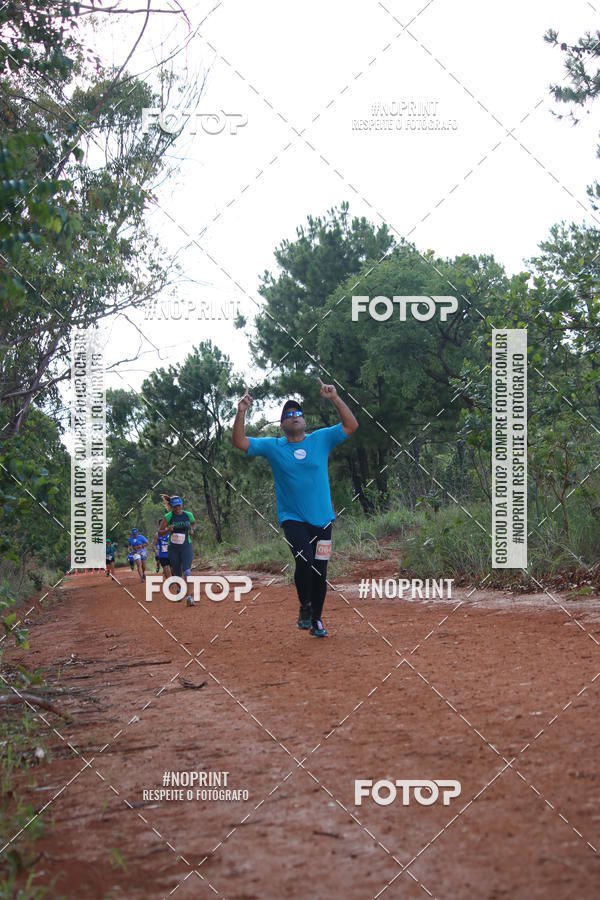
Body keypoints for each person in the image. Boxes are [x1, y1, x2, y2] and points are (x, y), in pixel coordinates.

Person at [232, 378, 358, 637]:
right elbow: (240, 442)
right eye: (288, 414)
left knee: (320, 571)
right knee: (305, 560)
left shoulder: (321, 439)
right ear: (283, 425)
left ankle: (317, 620)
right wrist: (241, 411)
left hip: (323, 520)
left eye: (298, 413)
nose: (294, 416)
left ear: (304, 420)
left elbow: (351, 425)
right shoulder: (273, 446)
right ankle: (305, 605)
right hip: (293, 519)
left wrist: (335, 397)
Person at [161, 494, 196, 607]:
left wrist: (192, 529)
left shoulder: (188, 515)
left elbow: (194, 523)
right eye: (175, 507)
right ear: (171, 506)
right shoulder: (168, 517)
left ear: (181, 505)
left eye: (179, 506)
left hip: (186, 545)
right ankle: (181, 589)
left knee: (187, 571)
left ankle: (190, 597)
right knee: (176, 573)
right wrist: (167, 529)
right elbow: (160, 532)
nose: (177, 508)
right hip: (173, 548)